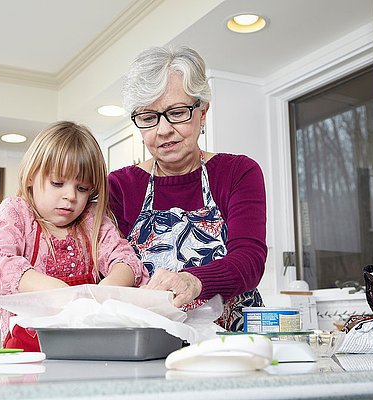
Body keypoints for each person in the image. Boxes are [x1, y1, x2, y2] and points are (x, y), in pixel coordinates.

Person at [108, 46, 266, 331]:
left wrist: (193, 281)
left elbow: (249, 261)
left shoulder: (238, 173)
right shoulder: (119, 186)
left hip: (231, 345)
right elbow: (108, 267)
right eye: (147, 118)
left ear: (202, 111)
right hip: (149, 343)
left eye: (177, 112)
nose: (163, 129)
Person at [0, 121, 149, 350]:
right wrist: (61, 293)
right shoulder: (16, 212)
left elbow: (127, 262)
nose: (70, 195)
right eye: (58, 183)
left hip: (87, 347)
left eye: (82, 188)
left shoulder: (91, 220)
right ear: (31, 176)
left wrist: (101, 293)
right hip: (28, 353)